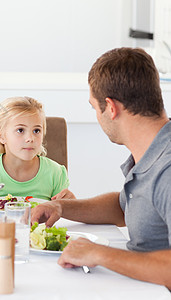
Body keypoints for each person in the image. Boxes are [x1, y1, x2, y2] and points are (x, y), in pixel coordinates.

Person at [31, 47, 171, 288]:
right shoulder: (152, 151)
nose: (97, 115)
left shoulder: (167, 169)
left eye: (95, 108)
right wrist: (60, 207)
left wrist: (99, 254)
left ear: (111, 107)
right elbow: (122, 207)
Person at [0, 96, 75, 199]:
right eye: (20, 130)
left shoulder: (55, 173)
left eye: (36, 131)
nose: (30, 138)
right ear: (1, 136)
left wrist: (70, 205)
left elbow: (63, 212)